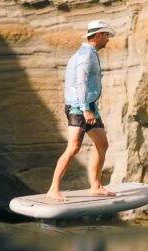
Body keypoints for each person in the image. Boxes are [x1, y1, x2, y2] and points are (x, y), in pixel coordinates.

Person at [46, 20, 117, 201]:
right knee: (73, 147)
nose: (108, 40)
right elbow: (80, 83)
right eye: (107, 35)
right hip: (79, 108)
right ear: (99, 35)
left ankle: (95, 186)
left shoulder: (89, 53)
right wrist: (85, 110)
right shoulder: (85, 55)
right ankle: (53, 189)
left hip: (89, 106)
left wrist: (89, 108)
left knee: (102, 145)